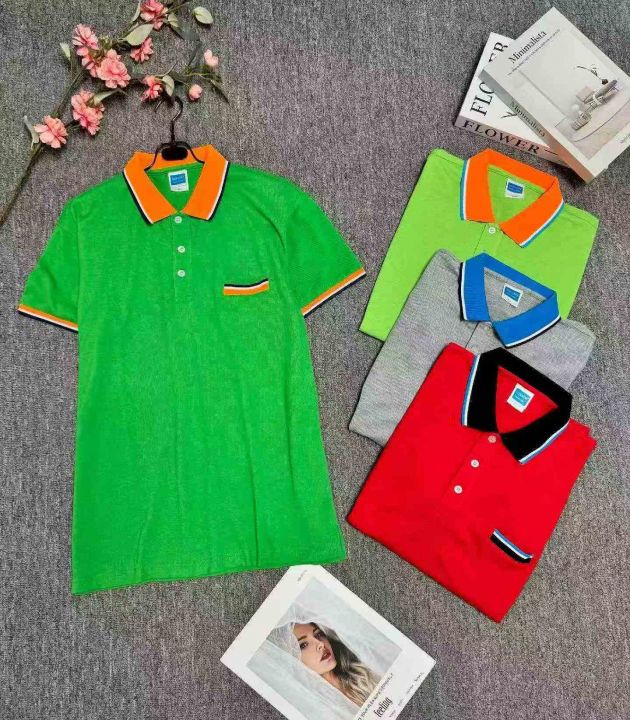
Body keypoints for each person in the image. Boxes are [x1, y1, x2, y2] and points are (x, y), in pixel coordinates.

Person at [292, 622, 380, 707]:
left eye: (318, 634)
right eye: (304, 645)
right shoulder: (316, 705)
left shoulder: (363, 671)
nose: (321, 644)